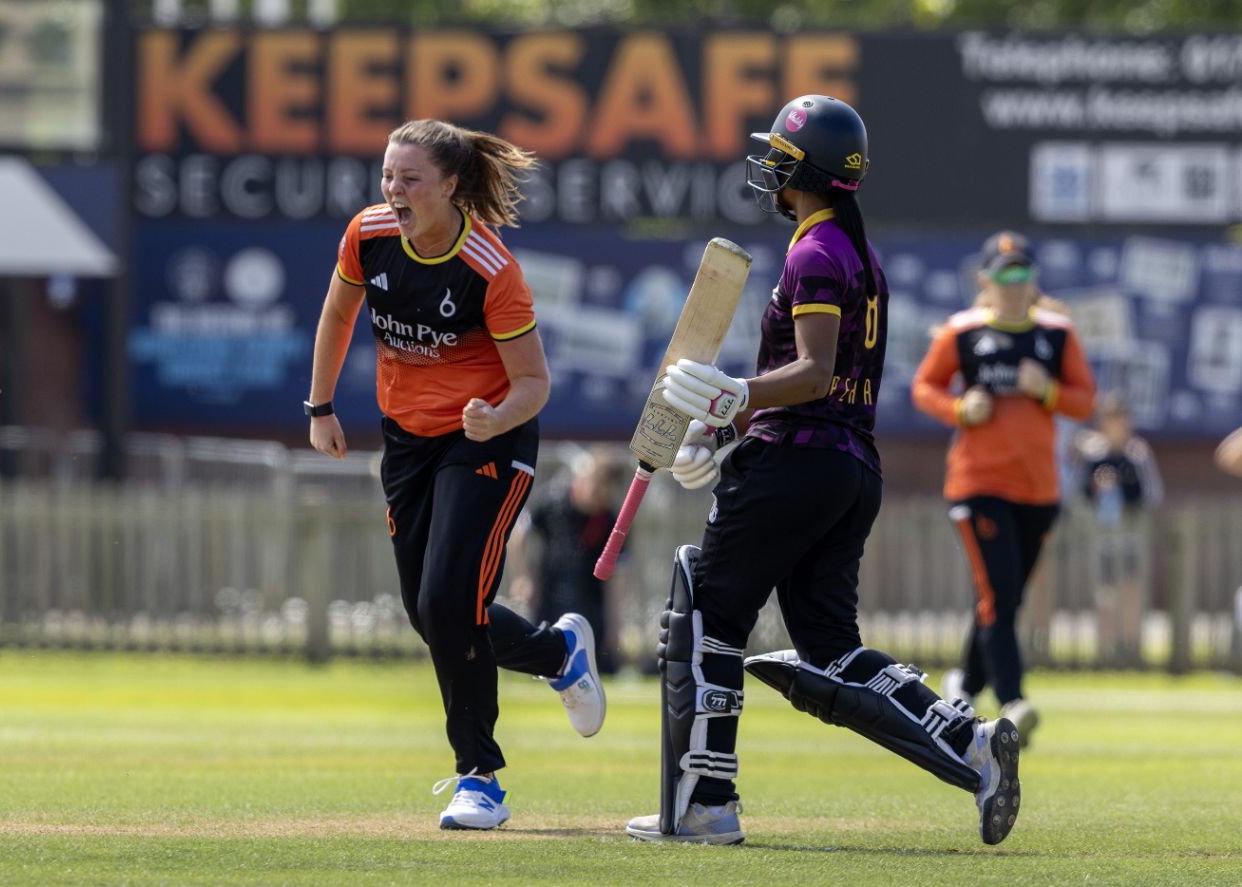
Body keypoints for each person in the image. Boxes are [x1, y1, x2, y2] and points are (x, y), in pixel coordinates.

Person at [624, 96, 1025, 848]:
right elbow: (824, 385)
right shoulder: (856, 252)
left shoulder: (815, 252)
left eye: (779, 153)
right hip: (847, 467)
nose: (769, 165)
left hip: (796, 461)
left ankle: (705, 804)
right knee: (831, 649)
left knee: (705, 618)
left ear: (799, 171)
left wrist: (742, 396)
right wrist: (733, 420)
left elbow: (811, 374)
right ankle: (972, 748)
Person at [307, 119, 605, 831]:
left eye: (410, 179)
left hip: (490, 440)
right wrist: (318, 405)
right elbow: (338, 311)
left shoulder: (489, 267)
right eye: (387, 175)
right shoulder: (369, 234)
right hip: (408, 441)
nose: (394, 190)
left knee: (447, 599)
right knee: (431, 612)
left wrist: (495, 417)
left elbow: (534, 383)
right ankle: (556, 651)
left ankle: (481, 778)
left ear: (448, 186)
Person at [912, 230, 1096, 747]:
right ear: (984, 280)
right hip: (978, 484)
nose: (1013, 284)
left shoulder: (1058, 334)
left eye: (1022, 274)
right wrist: (958, 409)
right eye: (1003, 274)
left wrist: (1049, 390)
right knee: (997, 594)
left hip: (1039, 490)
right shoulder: (962, 332)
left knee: (1005, 597)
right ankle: (1014, 702)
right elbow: (924, 387)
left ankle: (964, 686)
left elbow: (1084, 402)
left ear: (1032, 280)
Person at [510, 447, 623, 676]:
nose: (597, 494)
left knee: (593, 669)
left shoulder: (610, 519)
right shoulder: (553, 501)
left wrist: (615, 624)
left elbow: (620, 575)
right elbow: (518, 536)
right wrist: (523, 577)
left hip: (591, 604)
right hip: (549, 596)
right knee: (544, 665)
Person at [1072, 393, 1163, 664]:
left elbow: (1152, 494)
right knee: (1106, 591)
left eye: (1121, 420)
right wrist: (1097, 488)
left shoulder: (1138, 453)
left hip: (1131, 535)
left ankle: (1132, 648)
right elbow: (1078, 495)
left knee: (1132, 588)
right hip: (1103, 538)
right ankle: (1106, 650)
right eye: (1111, 420)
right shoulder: (1093, 455)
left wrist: (1123, 487)